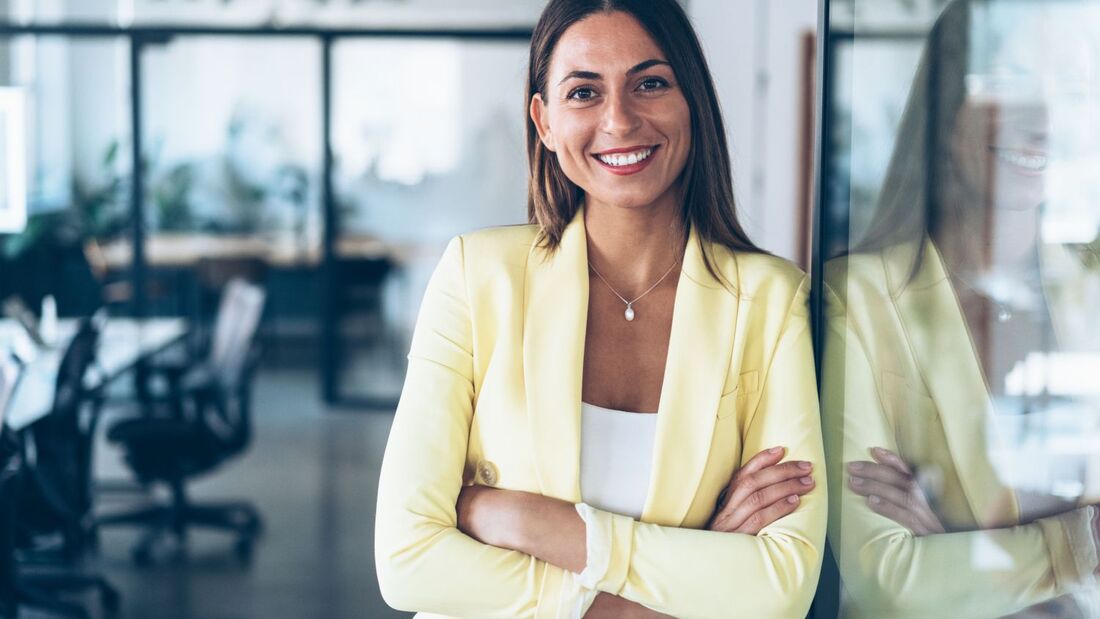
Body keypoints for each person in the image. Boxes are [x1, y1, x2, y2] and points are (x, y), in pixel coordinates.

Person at [375, 1, 826, 617]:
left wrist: (532, 522)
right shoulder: (477, 277)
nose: (619, 119)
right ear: (544, 121)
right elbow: (407, 563)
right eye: (584, 92)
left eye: (650, 83)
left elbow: (783, 586)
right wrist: (690, 577)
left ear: (691, 100)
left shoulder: (771, 300)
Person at [822, 0, 1100, 616]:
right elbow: (888, 580)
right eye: (1015, 81)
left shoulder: (1092, 294)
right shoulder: (858, 299)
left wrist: (959, 553)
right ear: (947, 109)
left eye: (1070, 88)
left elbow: (931, 581)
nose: (1043, 118)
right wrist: (1078, 546)